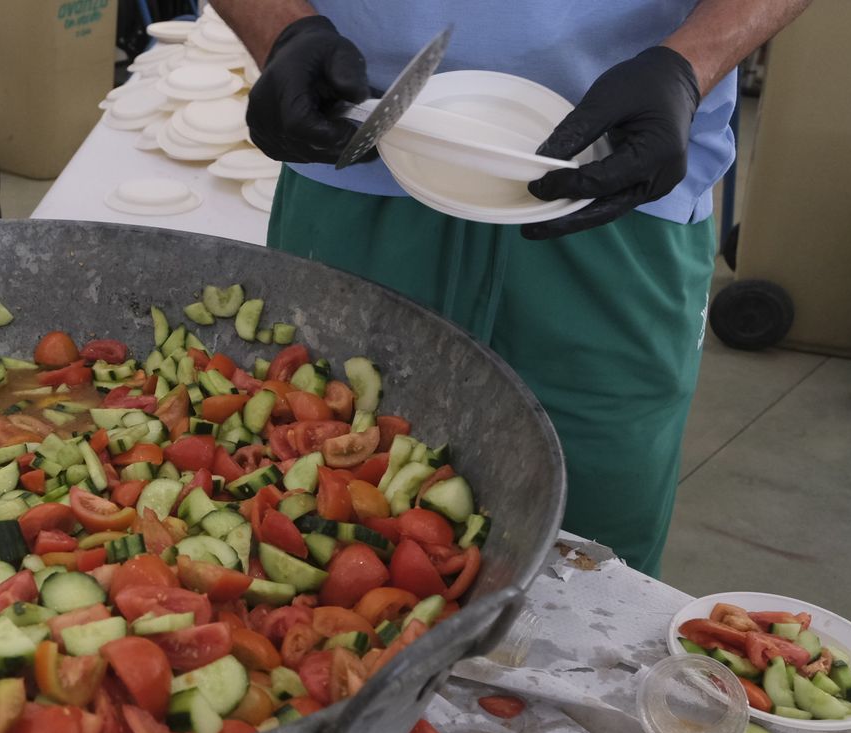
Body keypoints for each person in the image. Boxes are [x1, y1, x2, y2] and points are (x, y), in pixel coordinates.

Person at [209, 0, 809, 576]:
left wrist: (690, 66)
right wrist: (279, 25)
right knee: (320, 534)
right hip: (356, 155)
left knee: (597, 560)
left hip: (618, 178)